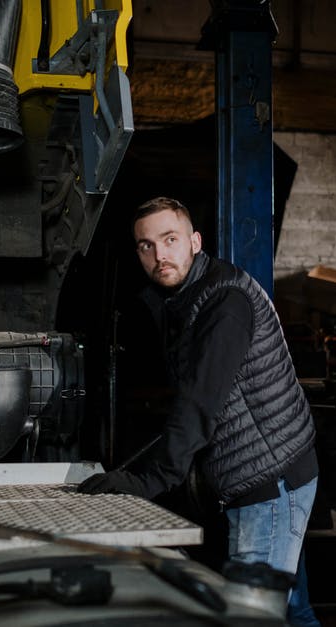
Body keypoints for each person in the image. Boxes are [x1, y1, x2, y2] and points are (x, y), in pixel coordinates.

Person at [77, 196, 320, 626]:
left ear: (194, 241)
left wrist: (145, 481)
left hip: (269, 485)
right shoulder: (186, 299)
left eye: (170, 240)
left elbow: (198, 406)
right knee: (293, 611)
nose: (159, 255)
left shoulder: (223, 305)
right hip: (271, 473)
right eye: (146, 246)